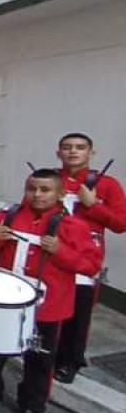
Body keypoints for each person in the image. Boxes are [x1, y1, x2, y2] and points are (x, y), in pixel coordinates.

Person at [0, 169, 101, 413]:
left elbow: (91, 266)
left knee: (39, 359)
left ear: (59, 194)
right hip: (5, 299)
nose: (37, 194)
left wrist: (60, 251)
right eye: (31, 188)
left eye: (45, 190)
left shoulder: (73, 227)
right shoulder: (9, 216)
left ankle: (31, 406)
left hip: (47, 306)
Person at [53, 133, 126, 383]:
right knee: (50, 306)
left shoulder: (108, 184)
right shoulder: (50, 180)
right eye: (67, 147)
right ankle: (50, 352)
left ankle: (71, 360)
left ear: (90, 154)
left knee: (79, 310)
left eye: (80, 148)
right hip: (53, 252)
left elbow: (121, 224)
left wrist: (93, 205)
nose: (73, 152)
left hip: (85, 258)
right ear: (58, 153)